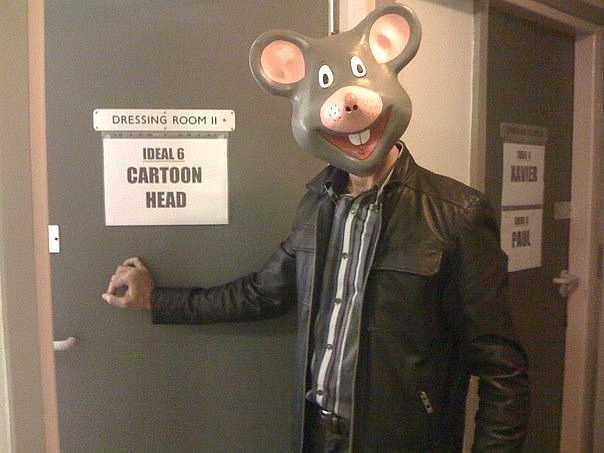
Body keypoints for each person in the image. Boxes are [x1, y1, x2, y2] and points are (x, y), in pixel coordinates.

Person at [103, 4, 530, 452]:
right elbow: (263, 292)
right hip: (317, 435)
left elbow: (503, 370)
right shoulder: (316, 205)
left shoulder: (456, 213)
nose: (348, 104)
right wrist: (159, 300)